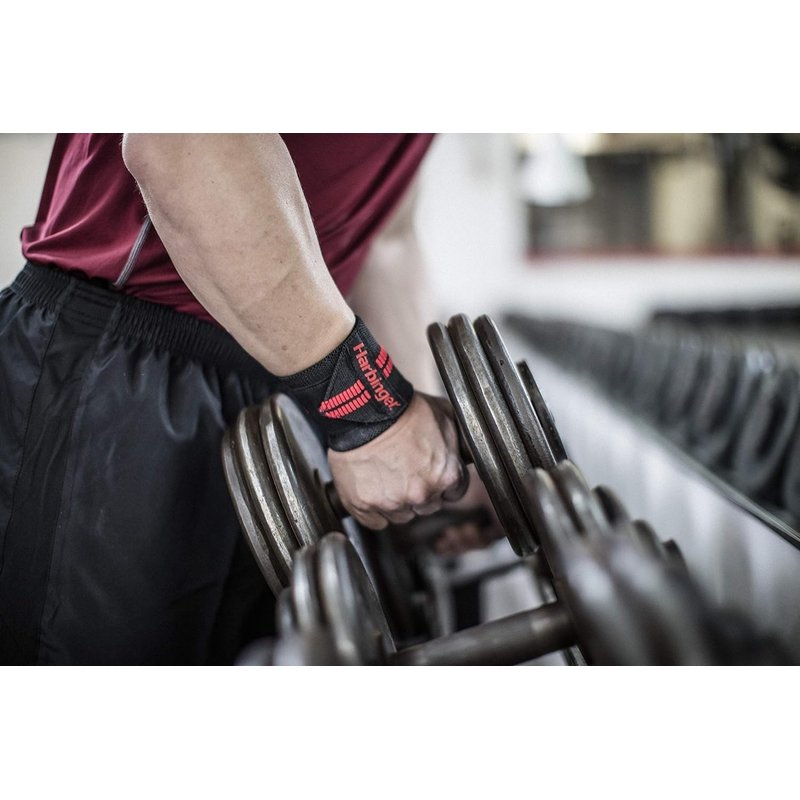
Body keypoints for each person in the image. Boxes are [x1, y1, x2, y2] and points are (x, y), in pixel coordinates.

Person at [0, 133, 495, 665]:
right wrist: (367, 410)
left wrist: (418, 446)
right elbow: (181, 142)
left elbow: (386, 241)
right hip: (124, 370)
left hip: (290, 376)